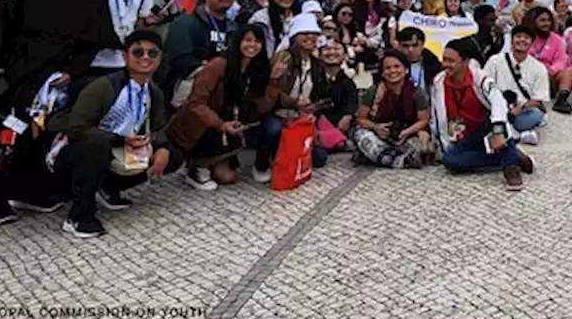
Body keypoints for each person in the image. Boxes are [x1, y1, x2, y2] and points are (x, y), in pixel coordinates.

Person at [0, 0, 121, 224]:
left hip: (58, 78)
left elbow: (94, 42)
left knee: (44, 136)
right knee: (6, 135)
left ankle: (33, 191)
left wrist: (72, 72)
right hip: (19, 72)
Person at [46, 30, 182, 238]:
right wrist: (119, 139)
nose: (145, 58)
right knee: (95, 147)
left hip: (119, 146)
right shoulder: (103, 87)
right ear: (125, 57)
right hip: (75, 152)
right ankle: (79, 216)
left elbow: (158, 127)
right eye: (138, 53)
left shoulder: (153, 92)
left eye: (152, 54)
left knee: (173, 156)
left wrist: (162, 149)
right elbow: (76, 128)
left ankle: (108, 188)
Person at [167, 24, 270, 190]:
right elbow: (196, 103)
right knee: (224, 175)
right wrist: (220, 124)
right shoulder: (218, 65)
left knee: (228, 177)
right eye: (247, 40)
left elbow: (261, 104)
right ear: (238, 41)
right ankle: (195, 165)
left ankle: (207, 162)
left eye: (257, 41)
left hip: (229, 123)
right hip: (203, 124)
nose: (252, 45)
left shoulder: (256, 69)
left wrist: (274, 82)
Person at [432, 40, 533, 191]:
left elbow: (498, 102)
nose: (446, 65)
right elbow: (437, 114)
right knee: (450, 161)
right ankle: (509, 157)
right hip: (462, 134)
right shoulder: (439, 81)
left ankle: (511, 167)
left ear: (465, 61)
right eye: (444, 60)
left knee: (499, 131)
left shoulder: (481, 79)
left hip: (487, 128)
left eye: (451, 61)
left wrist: (498, 129)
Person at [250, 14, 331, 184]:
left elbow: (319, 95)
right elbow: (272, 91)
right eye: (305, 33)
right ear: (295, 36)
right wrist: (294, 104)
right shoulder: (283, 57)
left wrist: (313, 111)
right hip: (277, 112)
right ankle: (261, 164)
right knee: (273, 129)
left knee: (319, 158)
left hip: (301, 115)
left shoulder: (316, 64)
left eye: (313, 33)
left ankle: (279, 153)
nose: (310, 37)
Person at [161, 0, 240, 105]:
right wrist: (211, 71)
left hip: (224, 88)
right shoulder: (185, 22)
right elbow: (179, 59)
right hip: (190, 86)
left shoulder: (235, 27)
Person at [349, 50, 432, 168]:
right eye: (388, 68)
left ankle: (376, 157)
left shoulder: (416, 92)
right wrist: (376, 127)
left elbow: (423, 120)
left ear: (406, 69)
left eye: (397, 66)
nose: (392, 71)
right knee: (362, 136)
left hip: (405, 133)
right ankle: (396, 161)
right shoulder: (374, 91)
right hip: (378, 133)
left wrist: (406, 132)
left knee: (418, 146)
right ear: (382, 72)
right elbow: (361, 118)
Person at [484, 25, 550, 145]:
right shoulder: (495, 61)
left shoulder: (539, 68)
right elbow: (484, 85)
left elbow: (538, 100)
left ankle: (506, 131)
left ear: (532, 43)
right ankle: (518, 135)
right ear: (512, 41)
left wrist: (519, 109)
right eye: (518, 37)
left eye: (526, 38)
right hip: (496, 107)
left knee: (535, 115)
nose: (522, 40)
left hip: (520, 111)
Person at [395, 26, 443, 90]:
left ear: (423, 45)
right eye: (405, 46)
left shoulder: (435, 66)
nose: (410, 49)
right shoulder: (392, 67)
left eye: (415, 45)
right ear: (399, 46)